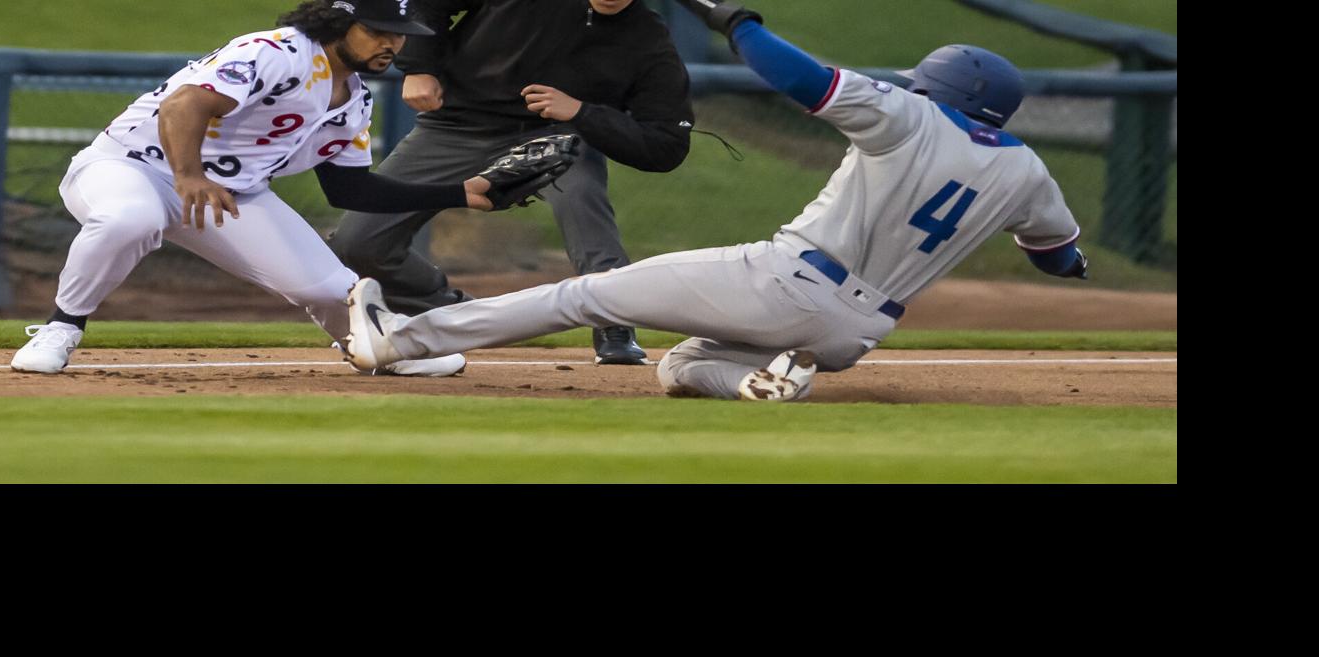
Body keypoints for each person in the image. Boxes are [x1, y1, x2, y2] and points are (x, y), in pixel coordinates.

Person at [342, 0, 1089, 401]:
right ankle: (764, 383)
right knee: (682, 369)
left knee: (584, 293)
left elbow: (802, 80)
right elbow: (1062, 262)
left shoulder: (906, 114)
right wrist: (1073, 260)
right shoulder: (1028, 173)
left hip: (786, 279)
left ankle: (400, 342)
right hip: (853, 335)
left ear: (940, 90)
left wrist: (739, 22)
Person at [9, 0, 550, 377]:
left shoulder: (354, 99)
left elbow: (352, 191)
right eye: (379, 30)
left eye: (400, 33)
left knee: (328, 288)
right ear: (341, 21)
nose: (393, 43)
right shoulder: (276, 51)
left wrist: (463, 192)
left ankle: (378, 347)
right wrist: (190, 176)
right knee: (131, 219)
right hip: (129, 167)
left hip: (230, 195)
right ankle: (61, 328)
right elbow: (185, 103)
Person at [327, 0, 695, 366]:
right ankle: (448, 307)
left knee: (581, 200)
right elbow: (426, 5)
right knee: (357, 242)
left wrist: (583, 113)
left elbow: (666, 146)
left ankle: (614, 323)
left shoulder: (646, 36)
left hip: (555, 137)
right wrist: (418, 68)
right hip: (457, 125)